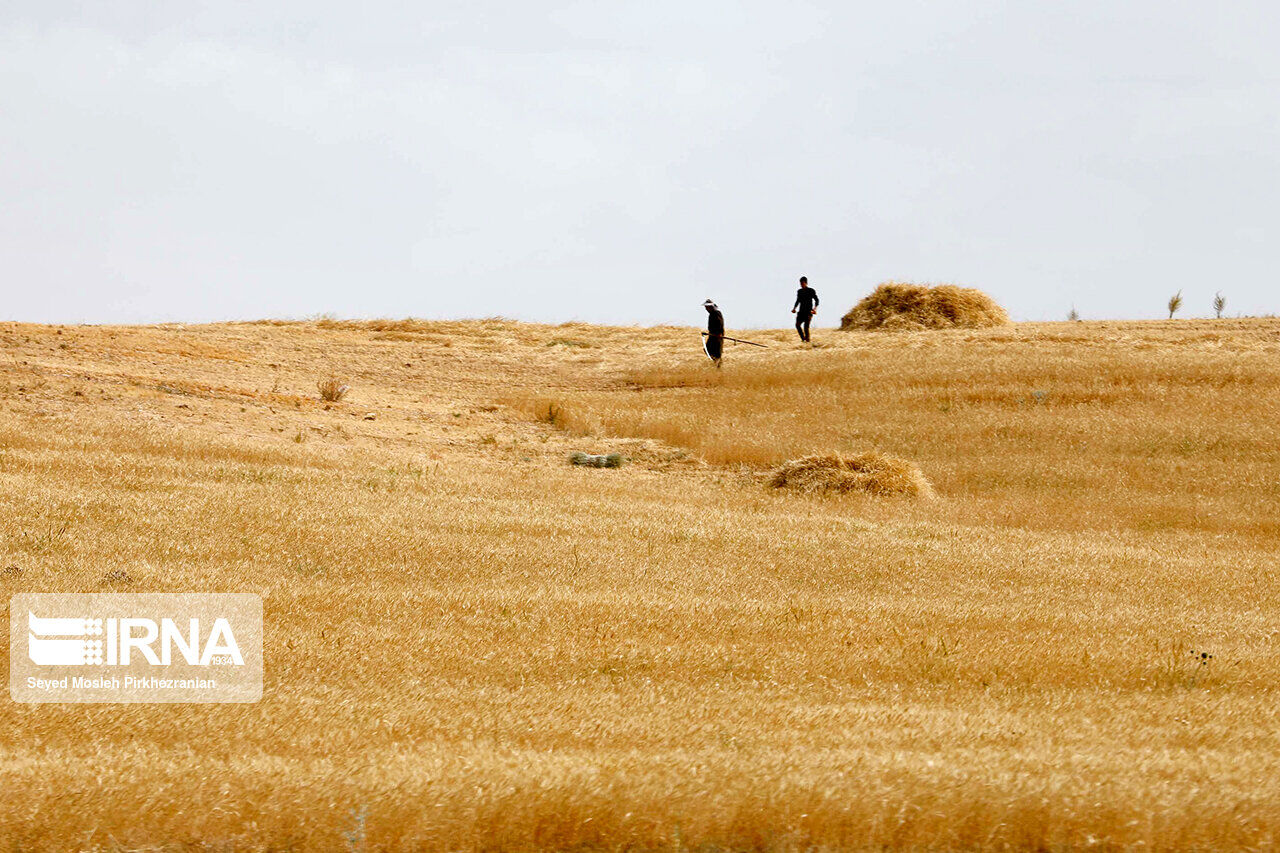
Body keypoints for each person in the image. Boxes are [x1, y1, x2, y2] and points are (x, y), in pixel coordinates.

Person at [791, 276, 819, 343]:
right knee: (797, 325)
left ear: (806, 283)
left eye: (802, 283)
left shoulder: (811, 291)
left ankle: (807, 341)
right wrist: (794, 308)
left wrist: (814, 309)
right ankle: (803, 339)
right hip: (801, 312)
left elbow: (817, 300)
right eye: (800, 283)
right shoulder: (799, 291)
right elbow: (798, 301)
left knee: (806, 327)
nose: (801, 285)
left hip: (808, 312)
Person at [703, 299, 724, 367]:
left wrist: (719, 334)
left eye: (707, 307)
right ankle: (715, 363)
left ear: (710, 307)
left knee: (717, 353)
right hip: (712, 335)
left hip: (717, 336)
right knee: (707, 349)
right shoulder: (712, 314)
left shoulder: (716, 313)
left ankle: (718, 366)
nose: (706, 309)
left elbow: (720, 324)